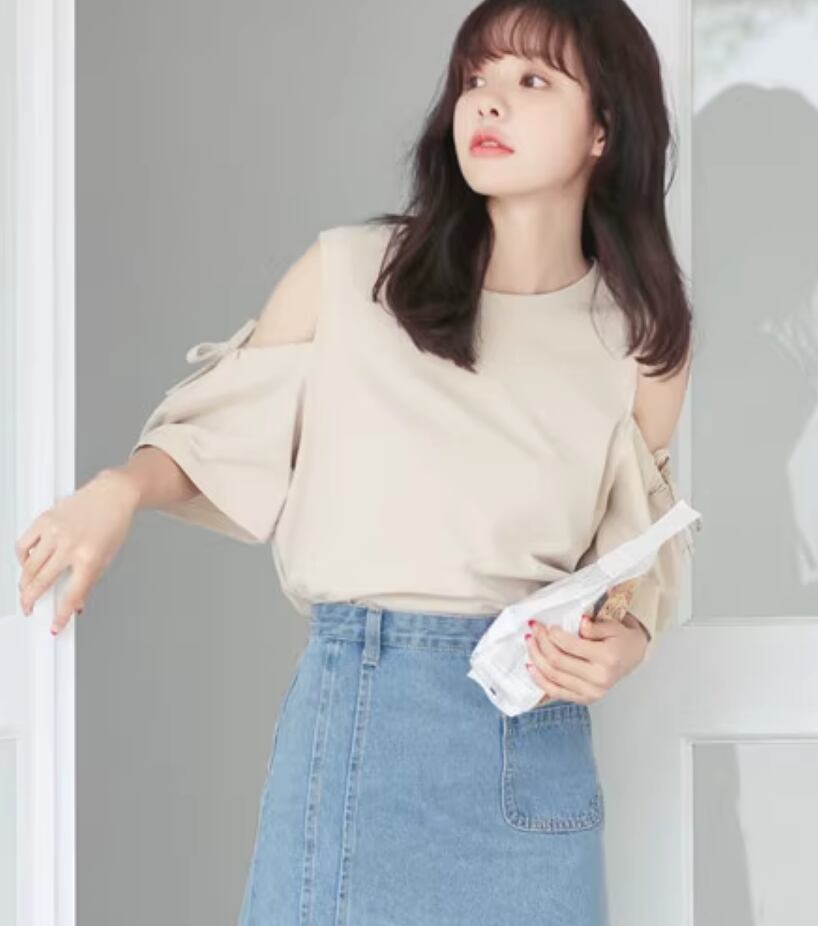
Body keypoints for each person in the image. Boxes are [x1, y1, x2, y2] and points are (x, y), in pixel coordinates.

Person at [14, 0, 698, 922]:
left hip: (533, 745)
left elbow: (637, 560)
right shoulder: (352, 276)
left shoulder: (641, 343)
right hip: (364, 725)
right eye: (475, 78)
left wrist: (626, 645)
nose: (488, 102)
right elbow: (219, 434)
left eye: (532, 79)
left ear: (604, 128)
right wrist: (121, 489)